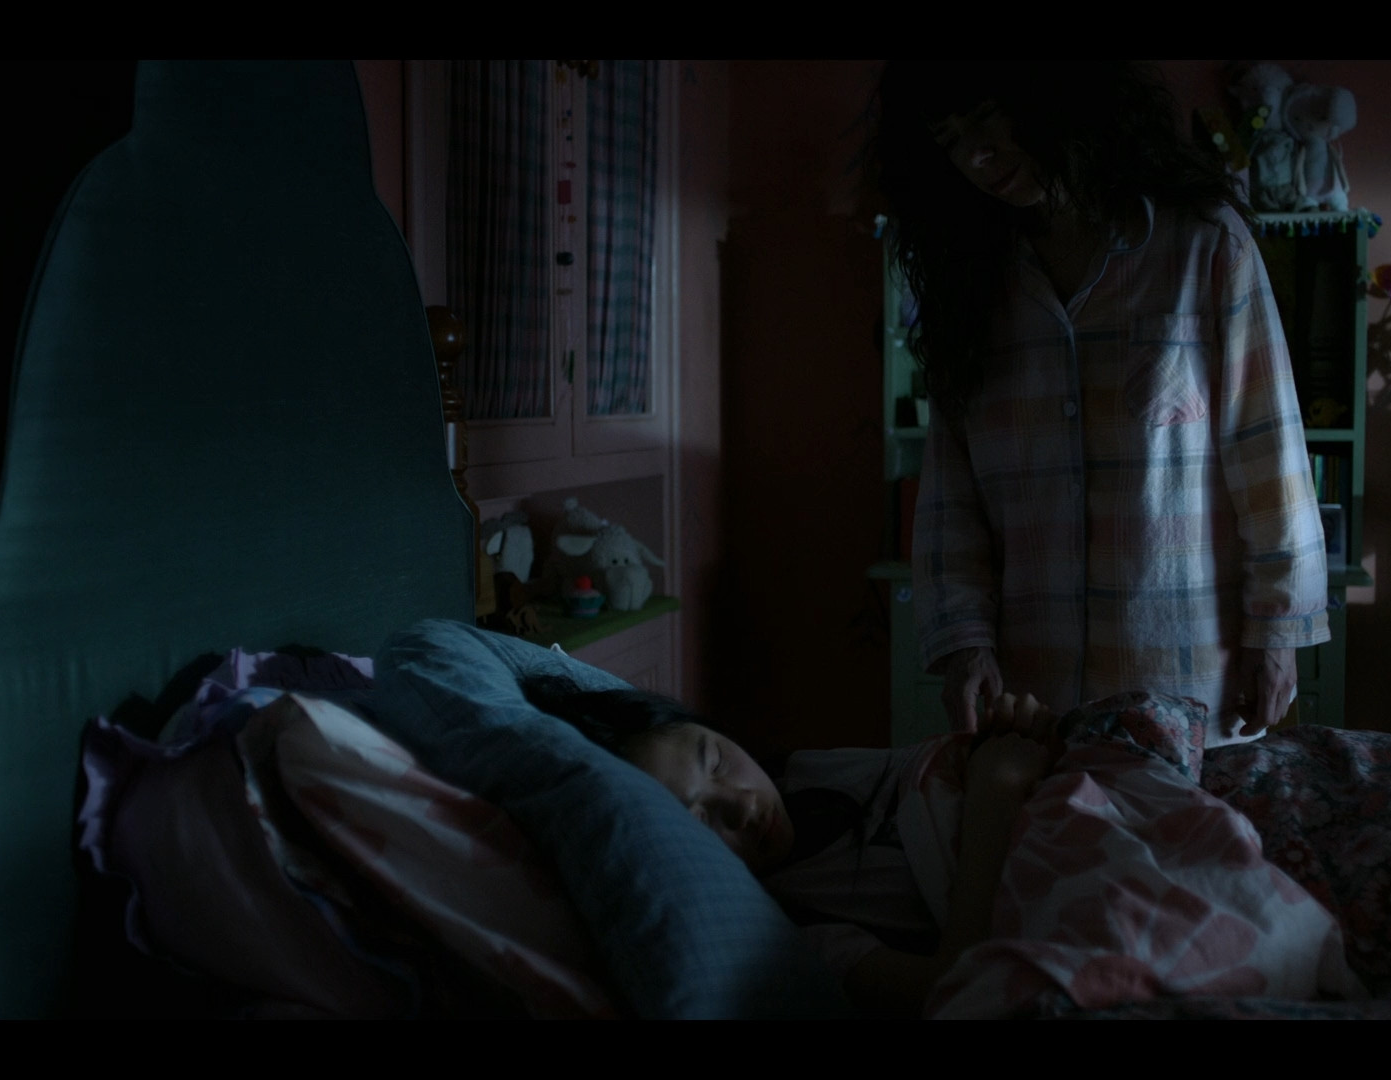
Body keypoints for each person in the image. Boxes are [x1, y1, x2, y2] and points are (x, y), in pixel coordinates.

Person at [874, 61, 1331, 742]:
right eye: (949, 140)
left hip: (1190, 689)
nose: (976, 156)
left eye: (986, 120)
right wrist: (963, 640)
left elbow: (1269, 451)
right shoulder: (968, 289)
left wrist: (1277, 633)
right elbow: (951, 492)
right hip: (1031, 705)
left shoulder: (1201, 244)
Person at [522, 675, 1063, 1017]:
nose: (741, 805)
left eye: (717, 761)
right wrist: (997, 789)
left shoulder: (804, 771)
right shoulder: (797, 934)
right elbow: (956, 987)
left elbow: (944, 766)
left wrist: (1008, 728)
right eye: (697, 822)